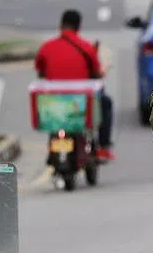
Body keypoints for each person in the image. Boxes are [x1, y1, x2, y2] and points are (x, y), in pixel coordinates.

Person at [34, 9, 115, 162]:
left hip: (53, 104)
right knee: (106, 102)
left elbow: (40, 71)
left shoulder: (46, 47)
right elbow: (96, 74)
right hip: (79, 105)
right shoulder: (87, 48)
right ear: (79, 27)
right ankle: (103, 147)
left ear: (61, 25)